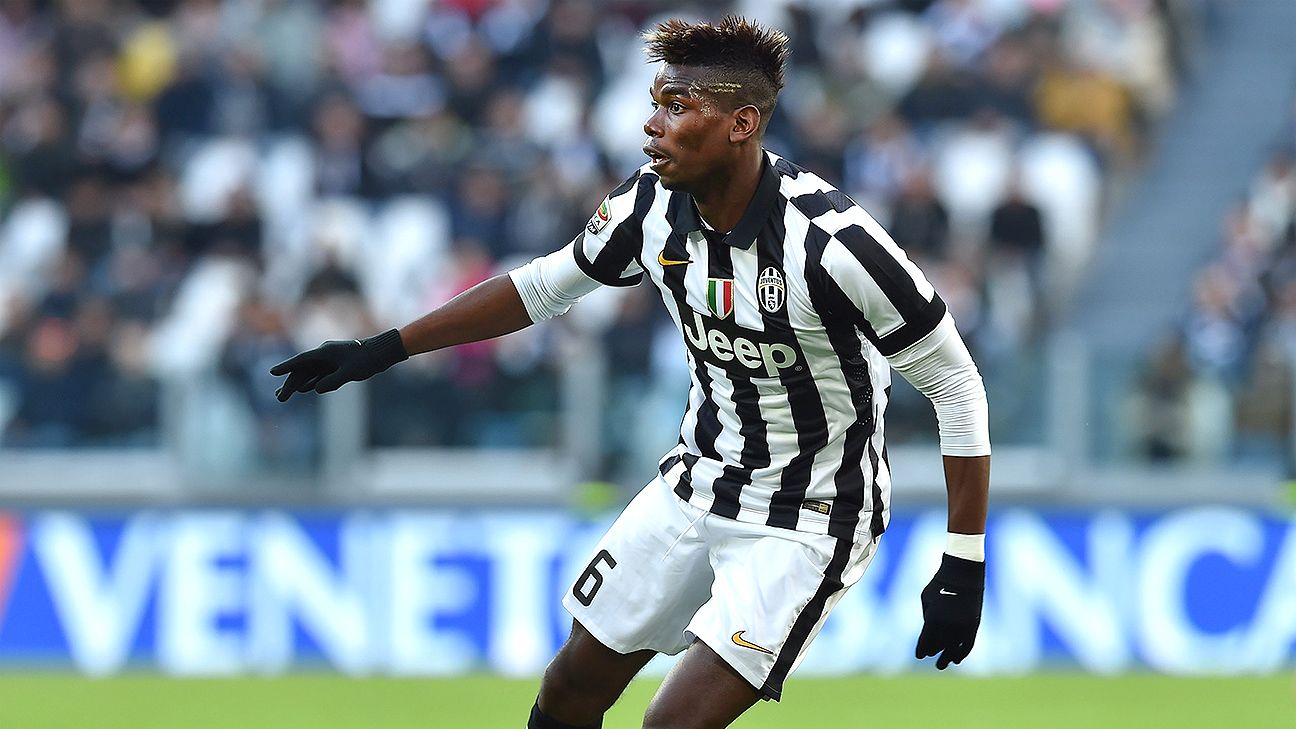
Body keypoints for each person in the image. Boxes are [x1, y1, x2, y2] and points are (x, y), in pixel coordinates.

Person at [271, 17, 990, 729]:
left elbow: (955, 384)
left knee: (670, 724)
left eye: (677, 107)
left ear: (741, 124)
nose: (651, 126)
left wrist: (963, 559)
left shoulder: (835, 245)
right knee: (569, 687)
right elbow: (540, 288)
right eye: (655, 104)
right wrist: (386, 347)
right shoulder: (648, 205)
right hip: (697, 480)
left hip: (809, 516)